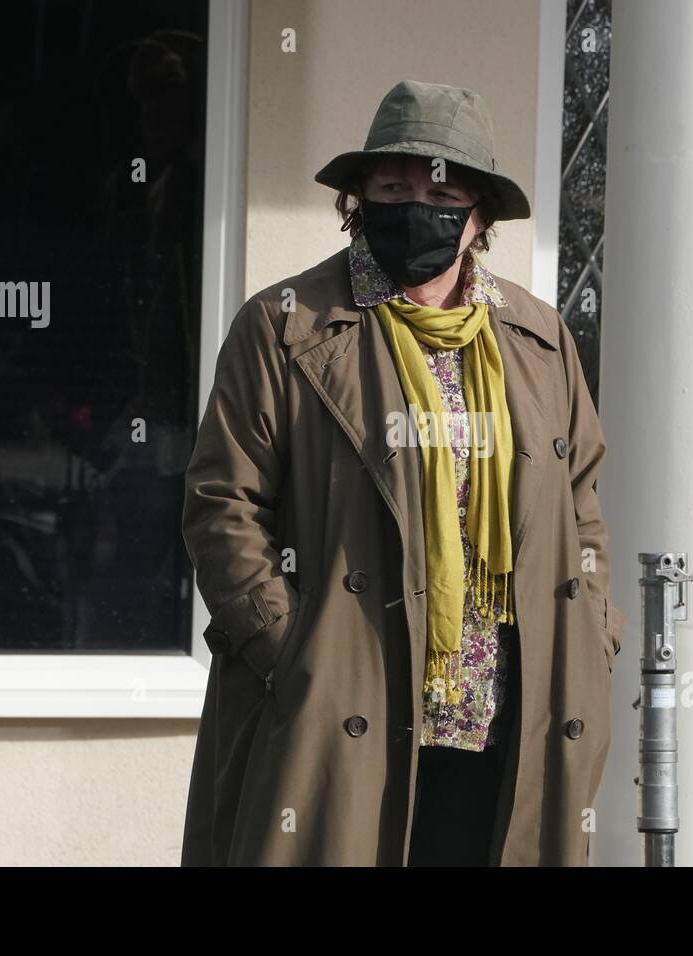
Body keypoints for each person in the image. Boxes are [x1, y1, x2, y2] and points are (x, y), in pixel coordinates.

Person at [180, 79, 625, 866]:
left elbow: (579, 505)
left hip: (505, 713)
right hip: (347, 707)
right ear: (358, 198)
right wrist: (291, 653)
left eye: (443, 192)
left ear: (479, 214)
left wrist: (593, 636)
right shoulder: (285, 325)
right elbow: (223, 506)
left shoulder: (538, 338)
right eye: (394, 188)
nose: (418, 206)